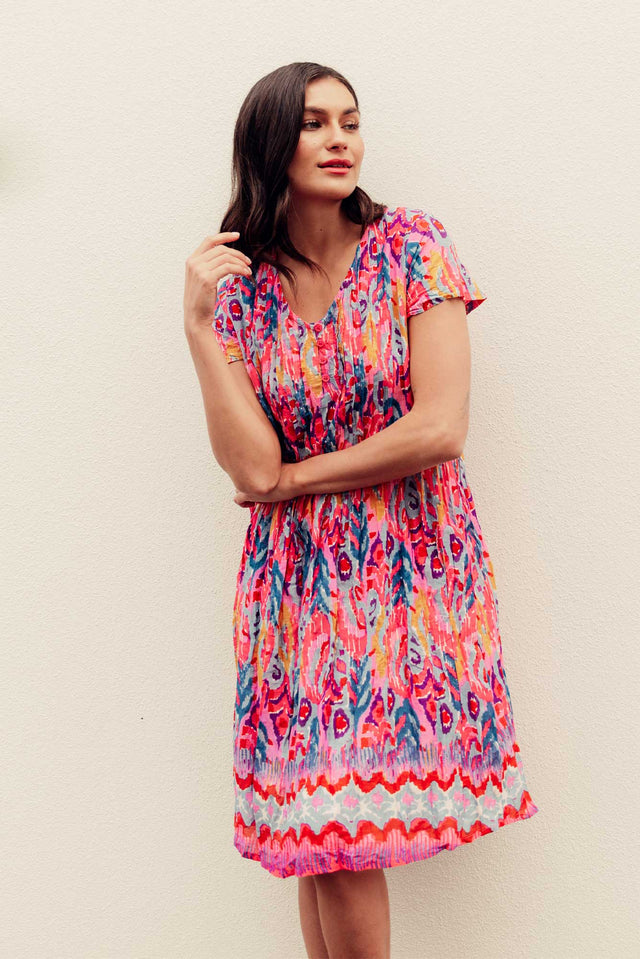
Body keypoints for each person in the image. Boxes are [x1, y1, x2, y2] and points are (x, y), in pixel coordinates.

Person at [184, 61, 539, 959]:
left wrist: (298, 481)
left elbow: (440, 427)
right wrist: (198, 327)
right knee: (316, 836)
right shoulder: (246, 289)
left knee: (339, 832)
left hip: (406, 572)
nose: (340, 139)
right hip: (295, 586)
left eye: (350, 120)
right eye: (314, 123)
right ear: (271, 141)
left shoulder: (412, 244)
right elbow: (250, 463)